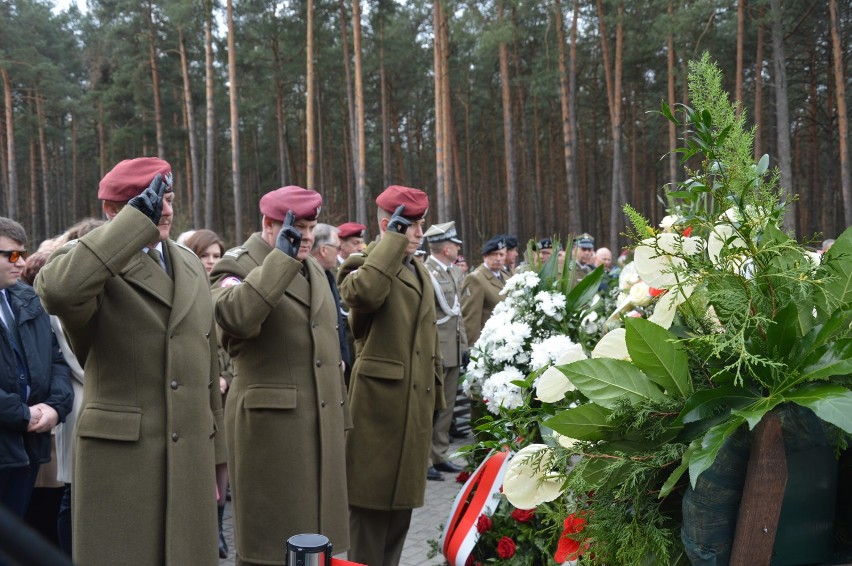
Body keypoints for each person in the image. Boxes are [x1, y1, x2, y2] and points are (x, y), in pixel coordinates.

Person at [35, 157, 225, 566]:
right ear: (113, 212)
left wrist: (217, 453)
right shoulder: (88, 260)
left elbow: (206, 360)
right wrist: (131, 226)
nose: (167, 210)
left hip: (189, 449)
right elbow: (58, 293)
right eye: (154, 201)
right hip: (123, 457)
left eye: (169, 199)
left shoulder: (188, 261)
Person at [211, 186, 350, 565]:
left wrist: (341, 418)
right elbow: (236, 321)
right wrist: (280, 260)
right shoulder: (237, 265)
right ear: (268, 224)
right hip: (272, 436)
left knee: (317, 547)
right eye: (296, 227)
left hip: (320, 426)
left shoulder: (314, 270)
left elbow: (327, 347)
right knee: (270, 550)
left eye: (311, 226)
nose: (305, 236)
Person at [337, 185, 443, 566]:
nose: (418, 233)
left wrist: (437, 397)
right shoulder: (362, 263)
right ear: (387, 225)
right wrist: (391, 244)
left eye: (420, 225)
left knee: (399, 519)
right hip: (378, 413)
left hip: (411, 409)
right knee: (368, 519)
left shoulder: (418, 268)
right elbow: (362, 296)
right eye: (409, 226)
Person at [0, 218, 72, 545]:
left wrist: (55, 409)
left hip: (27, 449)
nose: (23, 263)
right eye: (11, 256)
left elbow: (56, 360)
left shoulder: (28, 299)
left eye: (23, 254)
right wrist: (23, 414)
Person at [184, 228, 231, 558]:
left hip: (223, 390)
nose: (212, 262)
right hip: (195, 388)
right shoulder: (186, 289)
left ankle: (217, 528)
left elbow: (232, 342)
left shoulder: (228, 288)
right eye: (205, 255)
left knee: (222, 463)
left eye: (217, 256)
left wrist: (226, 374)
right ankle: (199, 530)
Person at [423, 222, 468, 482]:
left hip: (452, 350)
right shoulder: (426, 272)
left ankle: (439, 455)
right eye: (456, 244)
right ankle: (425, 459)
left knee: (447, 407)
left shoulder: (451, 272)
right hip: (436, 351)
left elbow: (456, 315)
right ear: (447, 247)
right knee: (432, 408)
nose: (459, 247)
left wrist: (463, 347)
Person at [310, 223, 351, 374]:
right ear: (323, 250)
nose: (339, 253)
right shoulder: (307, 279)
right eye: (337, 248)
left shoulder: (328, 276)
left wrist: (343, 358)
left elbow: (337, 323)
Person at [461, 235, 507, 345]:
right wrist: (472, 349)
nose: (498, 258)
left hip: (503, 340)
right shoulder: (476, 279)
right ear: (485, 256)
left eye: (501, 254)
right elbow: (471, 319)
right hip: (486, 342)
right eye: (494, 254)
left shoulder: (505, 277)